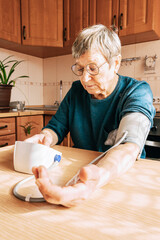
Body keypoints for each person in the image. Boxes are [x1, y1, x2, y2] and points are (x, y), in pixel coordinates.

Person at [26, 24, 155, 207]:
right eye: (80, 69)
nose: (85, 78)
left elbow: (129, 146)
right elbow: (56, 128)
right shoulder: (77, 91)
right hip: (79, 173)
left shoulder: (137, 91)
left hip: (120, 178)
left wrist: (95, 179)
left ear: (115, 63)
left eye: (93, 68)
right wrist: (44, 137)